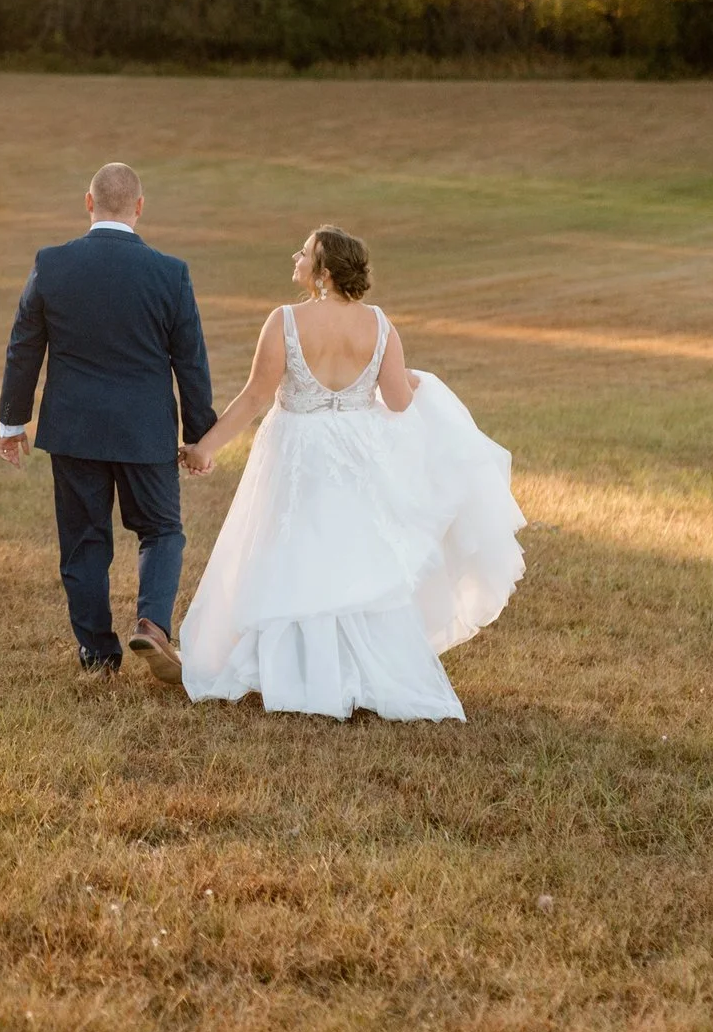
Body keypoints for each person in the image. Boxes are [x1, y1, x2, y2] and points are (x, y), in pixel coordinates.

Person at [175, 226, 524, 720]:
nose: (295, 255)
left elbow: (255, 396)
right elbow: (400, 400)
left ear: (323, 273)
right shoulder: (380, 325)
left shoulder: (286, 320)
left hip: (296, 448)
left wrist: (205, 449)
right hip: (358, 452)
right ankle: (359, 672)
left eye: (305, 252)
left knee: (292, 549)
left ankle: (294, 672)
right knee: (354, 553)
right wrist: (412, 379)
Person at [0, 163, 216, 682]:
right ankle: (152, 624)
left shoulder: (52, 265)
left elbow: (23, 347)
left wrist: (12, 422)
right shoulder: (170, 273)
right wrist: (198, 435)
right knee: (161, 529)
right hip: (145, 433)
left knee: (83, 540)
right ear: (139, 207)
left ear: (88, 202)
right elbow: (191, 362)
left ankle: (97, 654)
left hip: (74, 431)